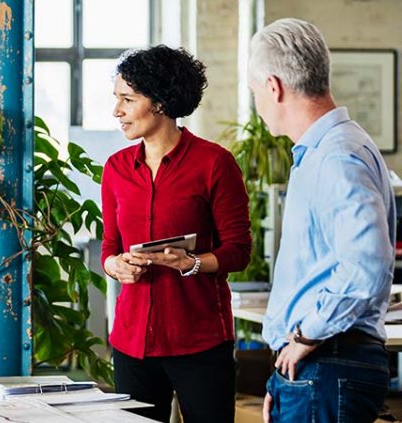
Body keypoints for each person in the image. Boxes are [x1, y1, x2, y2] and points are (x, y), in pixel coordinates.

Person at [251, 18, 395, 423]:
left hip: (329, 361)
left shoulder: (336, 156)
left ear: (273, 87)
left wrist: (305, 337)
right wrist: (284, 378)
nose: (257, 104)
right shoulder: (326, 151)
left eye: (255, 92)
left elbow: (366, 266)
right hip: (316, 368)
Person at [101, 45, 252, 423]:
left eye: (127, 99)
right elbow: (110, 246)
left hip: (199, 341)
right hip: (132, 343)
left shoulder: (215, 164)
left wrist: (193, 263)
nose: (116, 110)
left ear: (160, 103)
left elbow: (239, 250)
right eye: (116, 98)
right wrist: (114, 265)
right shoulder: (116, 168)